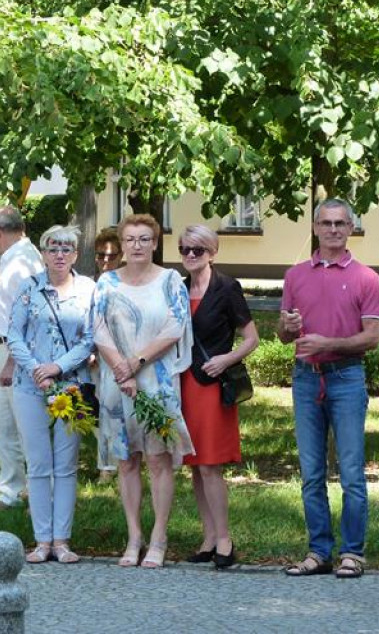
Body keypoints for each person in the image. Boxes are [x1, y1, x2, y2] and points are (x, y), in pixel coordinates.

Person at [280, 198, 379, 580]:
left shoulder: (365, 278)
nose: (334, 229)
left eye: (341, 223)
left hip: (346, 377)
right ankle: (319, 551)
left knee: (352, 471)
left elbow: (372, 337)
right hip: (306, 378)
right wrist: (288, 328)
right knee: (310, 472)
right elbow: (282, 333)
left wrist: (328, 345)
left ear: (351, 228)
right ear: (315, 227)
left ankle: (352, 552)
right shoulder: (295, 275)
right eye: (326, 223)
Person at [93, 213, 194, 569]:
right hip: (118, 383)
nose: (137, 245)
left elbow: (175, 325)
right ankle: (134, 535)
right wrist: (121, 368)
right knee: (126, 460)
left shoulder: (170, 281)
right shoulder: (107, 282)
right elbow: (99, 328)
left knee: (157, 459)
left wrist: (135, 362)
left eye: (144, 239)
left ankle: (159, 537)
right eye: (131, 239)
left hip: (156, 381)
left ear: (154, 243)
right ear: (122, 244)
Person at [7, 225, 96, 564]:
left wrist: (56, 367)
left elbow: (90, 339)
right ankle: (42, 541)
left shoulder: (87, 289)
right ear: (42, 253)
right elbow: (13, 334)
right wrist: (36, 369)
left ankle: (62, 541)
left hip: (71, 385)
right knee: (39, 464)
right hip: (30, 387)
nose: (59, 254)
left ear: (75, 254)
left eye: (67, 248)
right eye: (53, 248)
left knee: (66, 465)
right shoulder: (29, 288)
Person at [179, 224, 259, 569]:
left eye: (199, 249)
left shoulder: (227, 288)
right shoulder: (178, 289)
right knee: (194, 467)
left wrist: (225, 359)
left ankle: (225, 539)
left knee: (210, 465)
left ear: (213, 251)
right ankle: (209, 536)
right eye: (185, 249)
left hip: (211, 387)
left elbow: (251, 338)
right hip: (183, 383)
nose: (191, 256)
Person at [0, 206, 43, 511]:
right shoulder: (22, 256)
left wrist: (12, 359)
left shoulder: (20, 263)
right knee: (6, 422)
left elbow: (25, 315)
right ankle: (14, 488)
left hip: (14, 348)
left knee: (18, 422)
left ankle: (26, 489)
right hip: (10, 346)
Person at [93, 226, 123, 482]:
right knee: (105, 409)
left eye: (111, 256)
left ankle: (125, 461)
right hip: (102, 358)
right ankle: (107, 466)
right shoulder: (97, 284)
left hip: (129, 357)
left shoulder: (126, 283)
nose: (105, 260)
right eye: (101, 255)